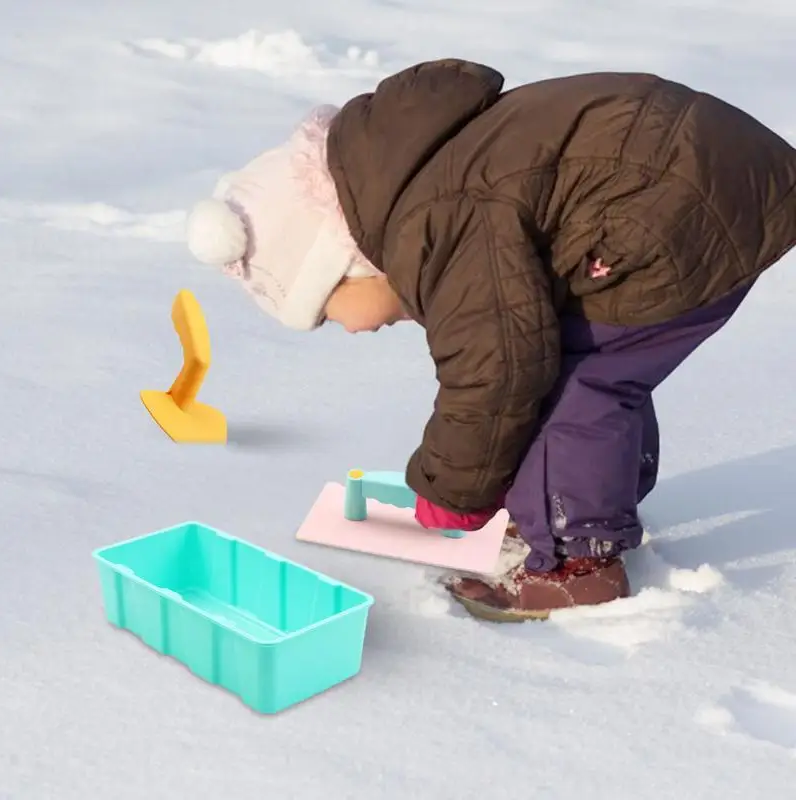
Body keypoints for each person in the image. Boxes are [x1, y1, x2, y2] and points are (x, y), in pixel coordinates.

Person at [185, 59, 796, 622]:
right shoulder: (430, 185)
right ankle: (585, 509)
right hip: (702, 179)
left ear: (344, 259)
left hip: (679, 205)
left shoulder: (434, 226)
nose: (351, 328)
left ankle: (576, 565)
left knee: (569, 378)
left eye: (327, 309)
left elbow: (495, 377)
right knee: (592, 362)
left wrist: (453, 494)